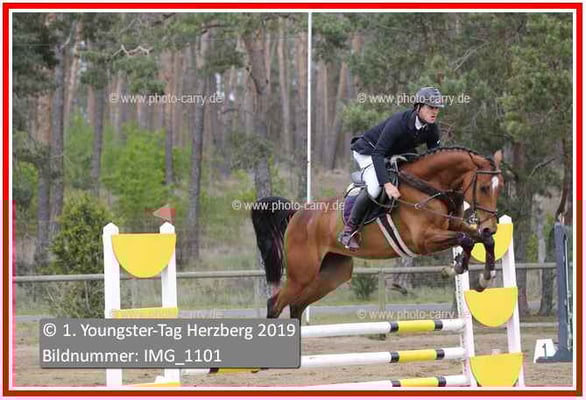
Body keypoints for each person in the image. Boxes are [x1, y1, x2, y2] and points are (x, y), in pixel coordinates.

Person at [339, 86, 445, 251]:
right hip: (368, 151)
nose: (434, 112)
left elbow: (434, 158)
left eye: (437, 108)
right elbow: (378, 153)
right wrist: (387, 184)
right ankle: (349, 231)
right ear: (418, 107)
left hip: (392, 153)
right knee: (375, 187)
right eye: (431, 107)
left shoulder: (431, 128)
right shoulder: (399, 123)